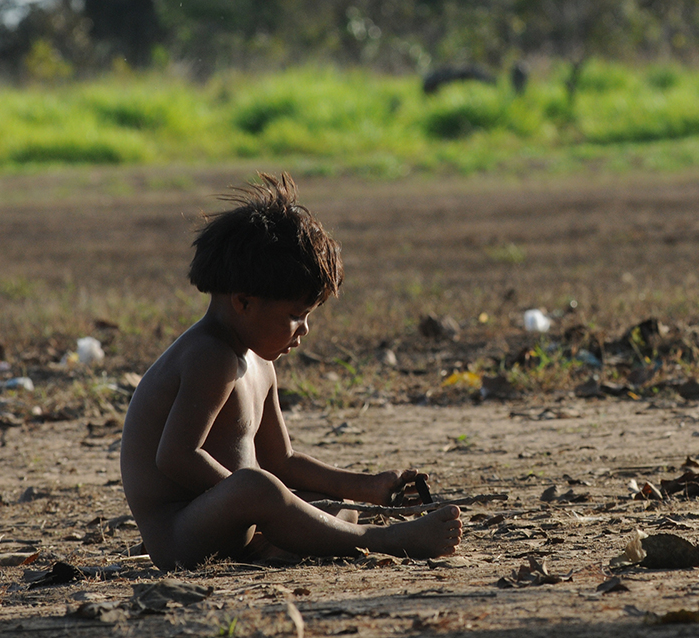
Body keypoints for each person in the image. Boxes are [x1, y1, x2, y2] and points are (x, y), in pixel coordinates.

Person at [119, 172, 462, 570]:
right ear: (244, 303)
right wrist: (262, 501)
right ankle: (385, 540)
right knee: (260, 487)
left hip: (236, 523)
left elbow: (282, 460)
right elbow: (176, 457)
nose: (304, 330)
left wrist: (366, 485)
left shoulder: (259, 363)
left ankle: (283, 542)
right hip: (183, 536)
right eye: (296, 316)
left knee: (335, 507)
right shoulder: (208, 356)